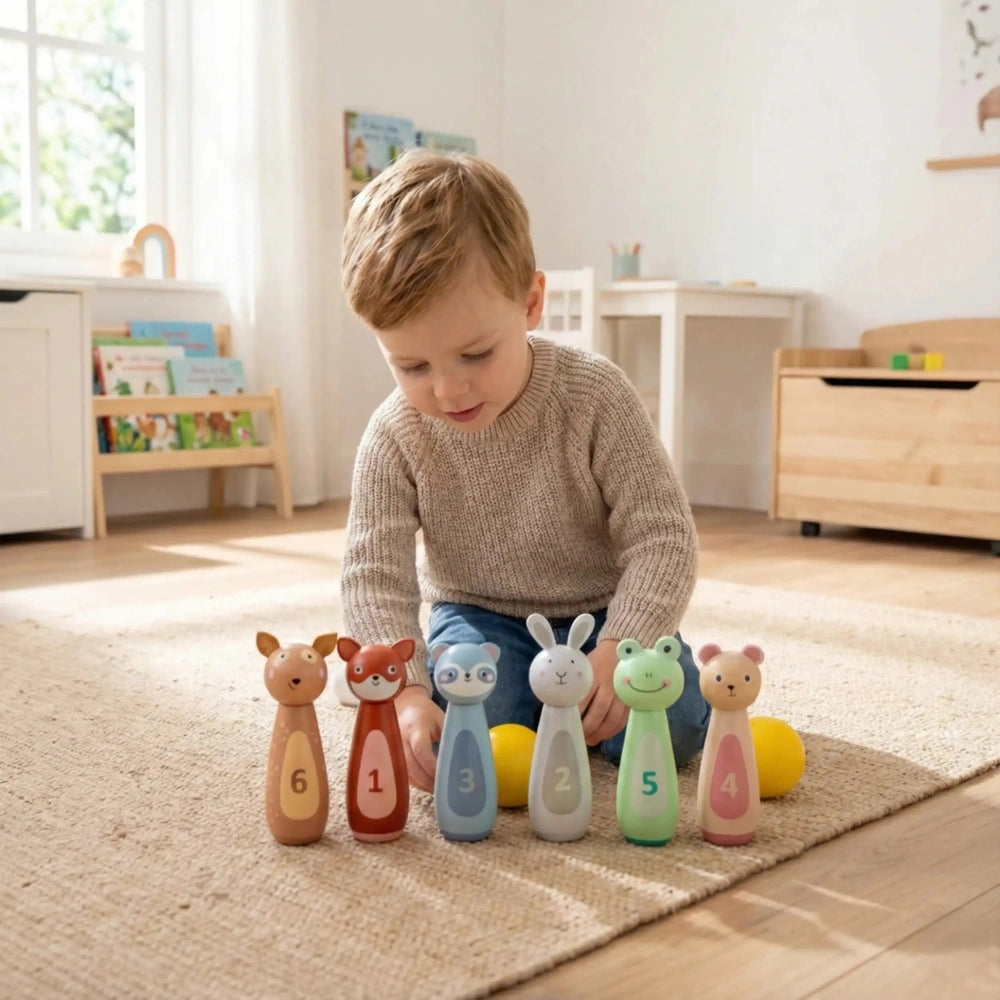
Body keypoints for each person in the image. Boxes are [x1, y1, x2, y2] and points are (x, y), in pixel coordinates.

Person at [340, 149, 708, 793]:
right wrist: (402, 694)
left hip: (603, 615)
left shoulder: (596, 396)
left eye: (476, 353)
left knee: (669, 728)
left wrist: (623, 644)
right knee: (465, 733)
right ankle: (529, 703)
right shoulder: (394, 433)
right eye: (412, 367)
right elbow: (375, 575)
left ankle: (570, 698)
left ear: (532, 302)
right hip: (480, 617)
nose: (448, 390)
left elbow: (664, 539)